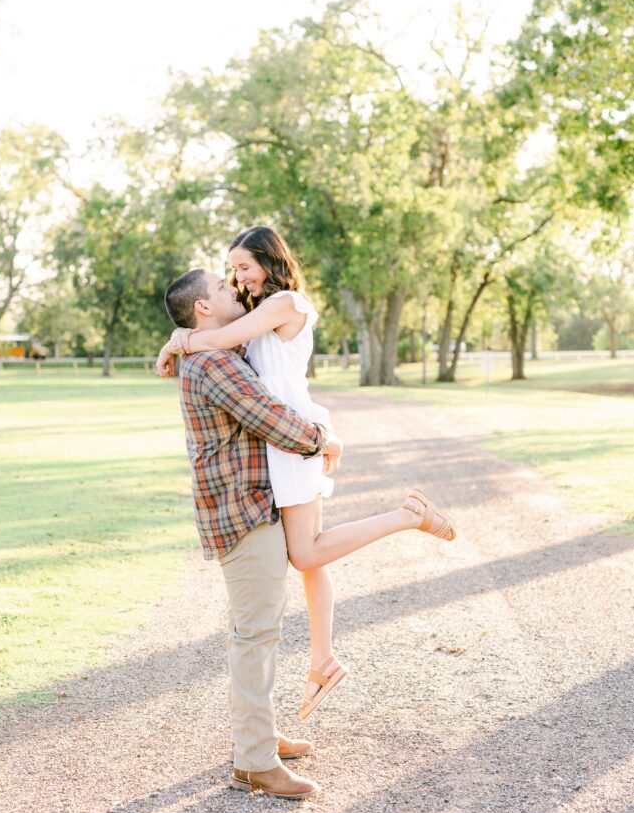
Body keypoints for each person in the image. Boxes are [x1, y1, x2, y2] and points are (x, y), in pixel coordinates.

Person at [158, 227, 456, 729]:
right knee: (311, 559)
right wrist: (180, 338)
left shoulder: (287, 304)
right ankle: (323, 659)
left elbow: (218, 337)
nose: (237, 278)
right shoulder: (258, 316)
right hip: (285, 438)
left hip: (294, 437)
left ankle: (409, 515)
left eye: (244, 267)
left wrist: (178, 339)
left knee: (307, 551)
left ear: (269, 261)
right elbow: (220, 337)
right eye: (231, 272)